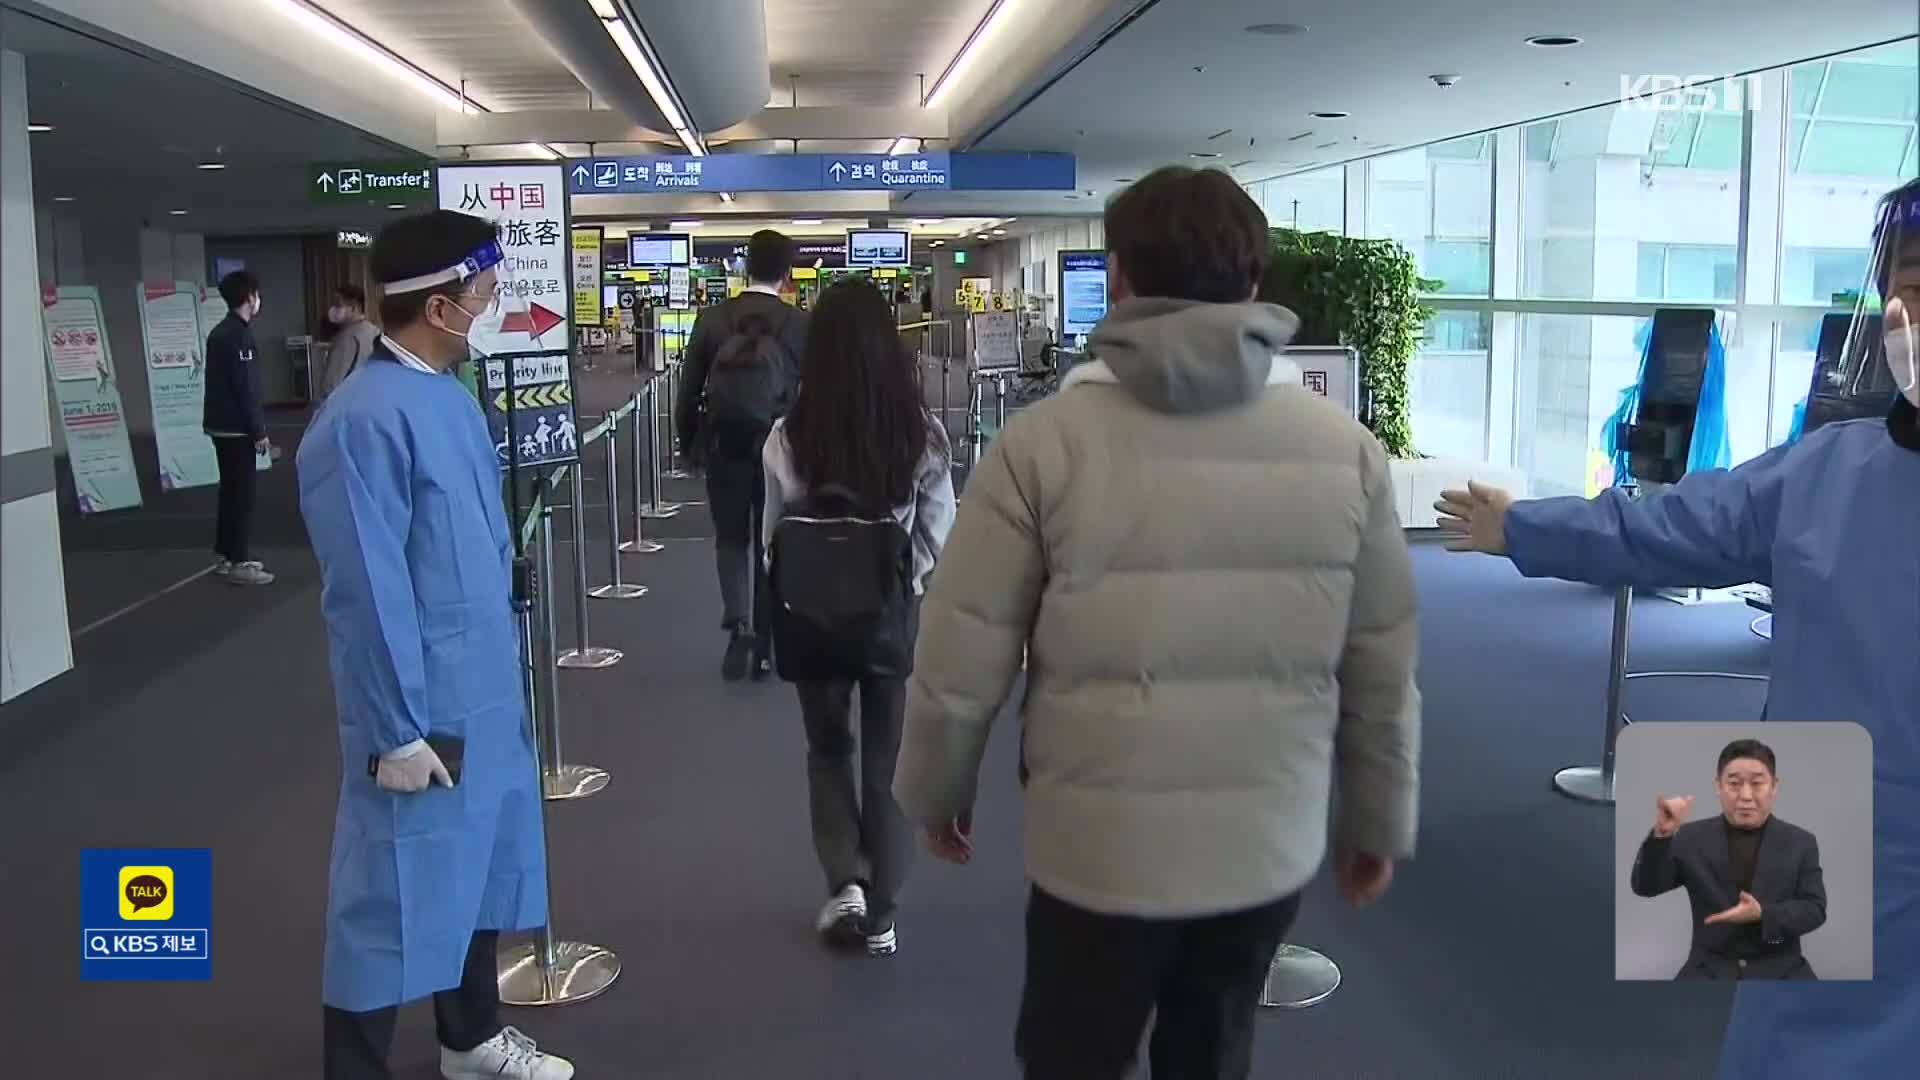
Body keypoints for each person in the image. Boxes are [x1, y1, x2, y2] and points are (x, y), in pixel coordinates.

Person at [893, 166, 1422, 1080]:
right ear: (1255, 283)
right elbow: (1381, 663)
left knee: (1072, 1054)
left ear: (1121, 279)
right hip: (1262, 841)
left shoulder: (1042, 444)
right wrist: (1377, 817)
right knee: (1212, 1052)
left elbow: (963, 643)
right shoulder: (1348, 454)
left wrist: (938, 793)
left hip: (1096, 848)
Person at [1433, 177, 1920, 1077]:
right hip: (1841, 829)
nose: (1911, 313)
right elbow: (1670, 528)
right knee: (1794, 1038)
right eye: (1909, 285)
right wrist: (1526, 527)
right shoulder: (1825, 478)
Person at [298, 209, 572, 1080]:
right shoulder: (360, 424)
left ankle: (470, 1038)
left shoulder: (449, 398)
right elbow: (366, 593)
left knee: (484, 869)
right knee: (391, 894)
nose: (493, 305)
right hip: (418, 708)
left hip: (485, 694)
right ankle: (356, 1067)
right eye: (484, 293)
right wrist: (393, 729)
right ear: (441, 307)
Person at [761, 278, 956, 958]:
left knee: (827, 749)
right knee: (888, 760)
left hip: (812, 617)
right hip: (888, 619)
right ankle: (885, 909)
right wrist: (910, 583)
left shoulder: (789, 436)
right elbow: (939, 530)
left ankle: (844, 880)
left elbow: (773, 535)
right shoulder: (919, 434)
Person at [675, 229, 808, 680]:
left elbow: (688, 391)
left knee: (732, 538)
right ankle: (769, 642)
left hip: (724, 445)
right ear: (787, 274)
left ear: (744, 267)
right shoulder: (799, 324)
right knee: (775, 540)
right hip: (781, 448)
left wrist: (689, 443)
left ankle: (739, 627)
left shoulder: (712, 320)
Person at [1629, 738, 1826, 979]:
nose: (1745, 795)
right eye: (1734, 784)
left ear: (1774, 786)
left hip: (1781, 969)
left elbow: (1815, 909)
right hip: (1709, 969)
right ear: (1718, 786)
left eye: (1757, 783)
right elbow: (1646, 887)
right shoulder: (1690, 837)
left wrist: (1764, 914)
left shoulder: (1801, 842)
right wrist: (1662, 835)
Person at [202, 269, 274, 586]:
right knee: (241, 495)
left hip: (220, 425)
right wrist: (259, 432)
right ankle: (240, 560)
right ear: (249, 298)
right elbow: (245, 389)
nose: (259, 301)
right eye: (256, 295)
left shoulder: (221, 332)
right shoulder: (239, 336)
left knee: (229, 491)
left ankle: (227, 554)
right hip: (237, 428)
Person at [320, 283, 380, 398]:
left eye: (338, 305)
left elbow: (331, 384)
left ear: (353, 308)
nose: (332, 310)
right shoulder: (375, 331)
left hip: (346, 402)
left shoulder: (345, 338)